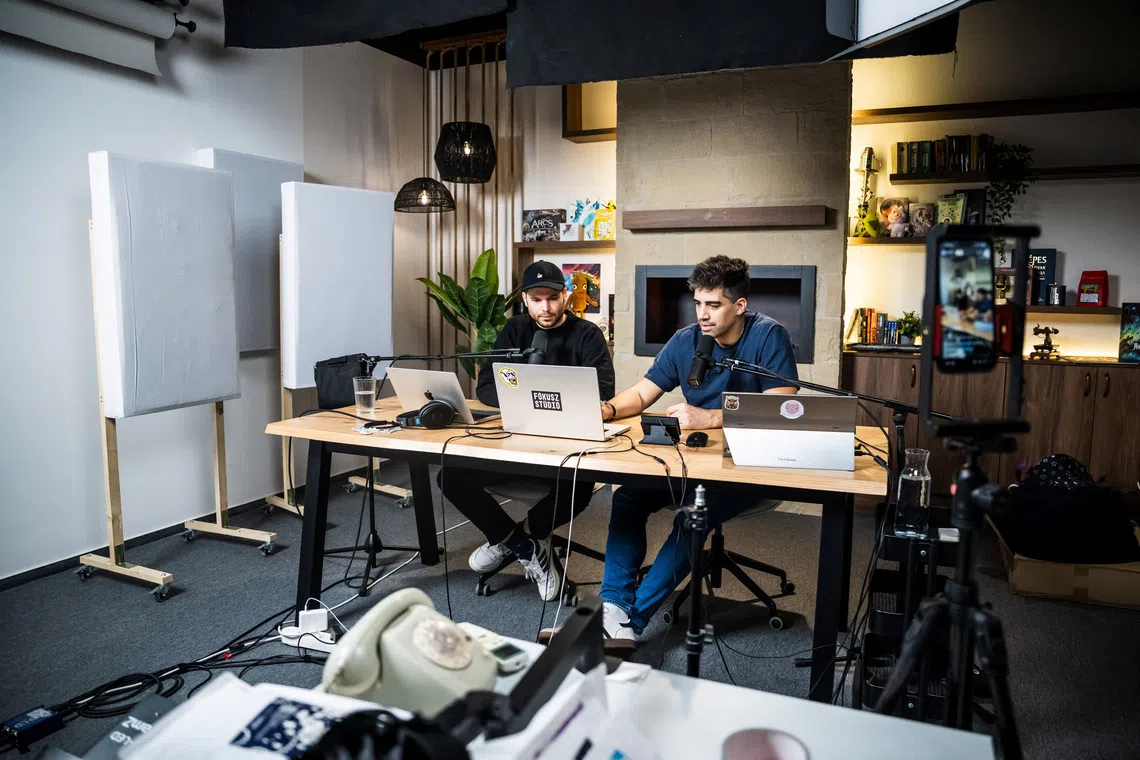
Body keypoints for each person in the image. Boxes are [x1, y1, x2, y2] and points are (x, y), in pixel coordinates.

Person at [596, 255, 799, 642]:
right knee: (627, 498)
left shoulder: (769, 336)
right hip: (692, 463)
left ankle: (629, 624)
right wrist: (605, 409)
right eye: (699, 303)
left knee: (692, 515)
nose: (703, 314)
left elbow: (782, 406)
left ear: (740, 306)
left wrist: (709, 418)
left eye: (714, 305)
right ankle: (613, 606)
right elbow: (641, 393)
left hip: (749, 467)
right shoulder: (686, 339)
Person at [440, 260, 615, 600]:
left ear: (564, 296)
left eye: (552, 297)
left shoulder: (587, 335)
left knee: (579, 485)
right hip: (514, 440)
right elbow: (486, 387)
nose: (545, 307)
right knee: (450, 475)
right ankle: (525, 546)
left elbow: (604, 390)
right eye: (537, 299)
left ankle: (519, 538)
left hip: (565, 444)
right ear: (525, 299)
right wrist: (522, 402)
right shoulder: (515, 330)